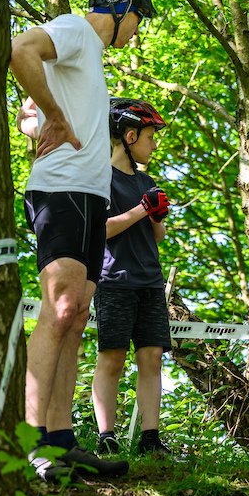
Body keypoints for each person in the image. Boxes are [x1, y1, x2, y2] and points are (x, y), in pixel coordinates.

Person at [12, 0, 155, 482]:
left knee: (75, 319)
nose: (139, 28)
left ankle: (62, 442)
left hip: (91, 195)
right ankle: (32, 445)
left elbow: (26, 108)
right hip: (62, 188)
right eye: (139, 16)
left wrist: (39, 117)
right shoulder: (74, 28)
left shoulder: (88, 55)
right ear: (120, 9)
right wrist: (52, 119)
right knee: (61, 308)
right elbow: (21, 50)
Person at [91, 98, 173, 458]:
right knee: (112, 356)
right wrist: (142, 208)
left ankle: (150, 438)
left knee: (152, 357)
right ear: (129, 135)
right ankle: (106, 436)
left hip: (150, 281)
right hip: (114, 280)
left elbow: (159, 237)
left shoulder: (146, 180)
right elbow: (100, 231)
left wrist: (156, 215)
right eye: (151, 136)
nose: (154, 144)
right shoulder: (100, 178)